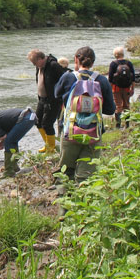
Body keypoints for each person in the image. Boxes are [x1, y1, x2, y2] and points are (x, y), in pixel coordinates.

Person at [54, 46, 116, 182]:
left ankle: (65, 199)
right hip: (94, 132)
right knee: (87, 173)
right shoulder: (102, 80)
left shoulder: (67, 77)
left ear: (76, 59)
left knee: (65, 171)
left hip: (69, 131)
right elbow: (110, 109)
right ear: (93, 62)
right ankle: (84, 199)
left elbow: (56, 95)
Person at [27, 49, 67, 154]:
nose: (34, 65)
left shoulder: (53, 65)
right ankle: (47, 144)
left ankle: (51, 148)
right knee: (37, 121)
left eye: (34, 63)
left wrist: (58, 96)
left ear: (41, 59)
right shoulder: (39, 66)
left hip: (53, 100)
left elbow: (64, 80)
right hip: (42, 99)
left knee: (47, 124)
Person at [107, 46, 135, 129]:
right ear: (123, 53)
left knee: (118, 106)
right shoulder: (128, 63)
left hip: (116, 89)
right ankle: (127, 124)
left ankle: (118, 125)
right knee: (126, 105)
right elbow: (133, 78)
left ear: (115, 54)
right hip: (127, 88)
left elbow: (110, 79)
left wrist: (109, 90)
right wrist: (132, 89)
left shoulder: (113, 64)